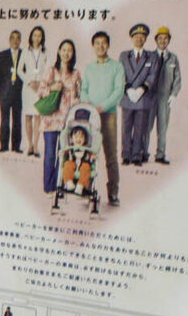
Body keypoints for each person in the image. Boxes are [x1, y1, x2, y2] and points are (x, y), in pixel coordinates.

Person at [82, 30, 124, 207]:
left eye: (103, 42)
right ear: (93, 46)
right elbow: (83, 89)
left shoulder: (117, 67)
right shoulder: (89, 68)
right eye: (97, 43)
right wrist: (89, 105)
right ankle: (86, 189)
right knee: (89, 153)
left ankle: (113, 193)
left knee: (111, 155)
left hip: (109, 115)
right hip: (91, 115)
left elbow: (118, 91)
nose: (100, 46)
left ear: (108, 45)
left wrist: (102, 106)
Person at [38, 39, 80, 197]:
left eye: (69, 50)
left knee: (63, 155)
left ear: (73, 54)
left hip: (67, 121)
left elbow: (77, 95)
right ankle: (49, 188)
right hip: (50, 120)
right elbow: (41, 91)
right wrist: (52, 88)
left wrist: (75, 106)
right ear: (58, 51)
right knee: (50, 154)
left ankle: (58, 185)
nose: (66, 53)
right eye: (64, 49)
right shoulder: (51, 70)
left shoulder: (76, 74)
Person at [120, 24, 160, 167]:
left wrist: (142, 89)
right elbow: (120, 74)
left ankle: (136, 155)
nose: (139, 38)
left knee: (140, 128)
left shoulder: (152, 56)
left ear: (146, 38)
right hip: (127, 97)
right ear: (132, 38)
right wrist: (129, 89)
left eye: (142, 36)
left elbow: (153, 75)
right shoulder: (124, 55)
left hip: (143, 98)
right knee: (126, 128)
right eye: (136, 36)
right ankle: (126, 155)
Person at [18, 26, 50, 159]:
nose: (37, 38)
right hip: (28, 88)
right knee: (28, 117)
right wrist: (30, 82)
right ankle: (29, 145)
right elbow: (20, 70)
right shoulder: (25, 52)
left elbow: (48, 70)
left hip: (40, 88)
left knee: (38, 117)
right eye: (35, 35)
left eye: (39, 35)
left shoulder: (45, 52)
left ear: (42, 38)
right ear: (31, 36)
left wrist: (40, 83)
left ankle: (36, 146)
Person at [153, 27, 182, 164]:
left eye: (165, 38)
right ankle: (142, 153)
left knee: (162, 127)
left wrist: (174, 95)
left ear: (169, 40)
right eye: (160, 38)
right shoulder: (150, 56)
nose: (162, 41)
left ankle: (160, 154)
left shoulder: (173, 58)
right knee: (147, 127)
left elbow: (178, 78)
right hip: (150, 97)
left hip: (165, 98)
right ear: (156, 40)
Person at [0, 31, 24, 153]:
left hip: (18, 93)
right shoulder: (2, 55)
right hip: (5, 92)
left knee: (17, 120)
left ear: (20, 41)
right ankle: (4, 146)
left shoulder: (24, 54)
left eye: (18, 39)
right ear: (9, 40)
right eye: (13, 38)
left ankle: (16, 147)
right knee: (4, 120)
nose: (15, 41)